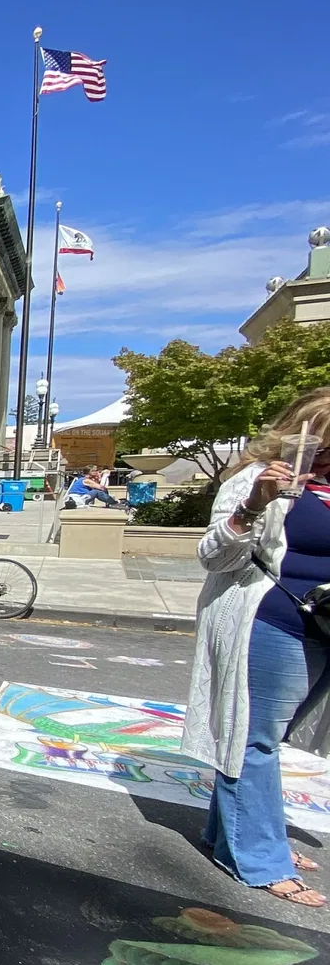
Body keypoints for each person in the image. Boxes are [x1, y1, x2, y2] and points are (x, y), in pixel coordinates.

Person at [181, 388, 330, 908]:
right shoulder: (262, 481)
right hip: (269, 620)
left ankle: (235, 836)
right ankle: (262, 856)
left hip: (323, 628)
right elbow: (212, 556)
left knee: (269, 735)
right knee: (252, 738)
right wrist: (250, 509)